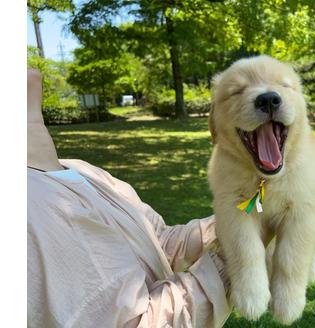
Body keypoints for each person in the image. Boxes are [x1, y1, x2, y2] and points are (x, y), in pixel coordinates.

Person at [27, 68, 231, 328]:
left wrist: (243, 217)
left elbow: (163, 243)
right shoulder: (27, 210)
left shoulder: (80, 169)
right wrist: (240, 251)